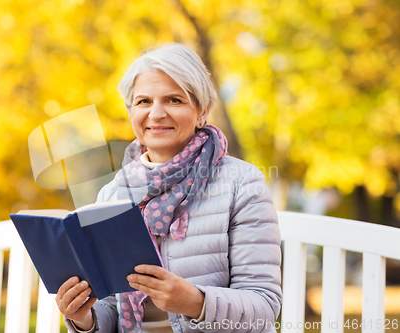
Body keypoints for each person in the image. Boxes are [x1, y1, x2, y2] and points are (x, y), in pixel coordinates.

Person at [55, 42, 282, 333]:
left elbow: (264, 307)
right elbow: (111, 306)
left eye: (174, 100)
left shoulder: (242, 183)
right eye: (144, 101)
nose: (157, 113)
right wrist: (84, 318)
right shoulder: (113, 193)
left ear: (202, 111)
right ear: (130, 111)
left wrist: (195, 302)